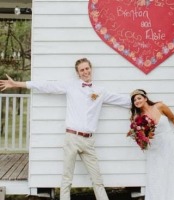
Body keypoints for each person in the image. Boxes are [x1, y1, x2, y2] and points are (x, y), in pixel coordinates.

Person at [0, 58, 131, 200]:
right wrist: (19, 84)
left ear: (91, 69)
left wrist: (143, 102)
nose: (85, 72)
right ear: (78, 73)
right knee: (67, 178)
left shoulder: (100, 91)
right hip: (72, 138)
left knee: (97, 179)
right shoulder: (71, 86)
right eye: (82, 70)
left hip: (89, 141)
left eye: (87, 68)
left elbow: (121, 100)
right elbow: (46, 86)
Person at [130, 89, 174, 200]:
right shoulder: (138, 118)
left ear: (145, 98)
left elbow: (173, 118)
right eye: (134, 100)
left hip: (169, 143)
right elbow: (141, 138)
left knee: (172, 171)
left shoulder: (159, 106)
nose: (137, 101)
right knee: (156, 174)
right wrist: (146, 136)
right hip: (154, 148)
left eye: (139, 98)